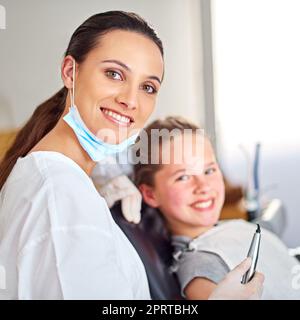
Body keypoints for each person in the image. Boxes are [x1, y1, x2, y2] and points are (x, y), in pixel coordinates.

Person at [0, 11, 263, 300]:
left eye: (148, 87)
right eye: (114, 74)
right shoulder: (61, 196)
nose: (130, 100)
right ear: (69, 72)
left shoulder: (62, 182)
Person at [134, 116, 300, 300]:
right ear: (150, 194)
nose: (203, 186)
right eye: (183, 177)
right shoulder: (200, 265)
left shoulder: (230, 229)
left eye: (209, 170)